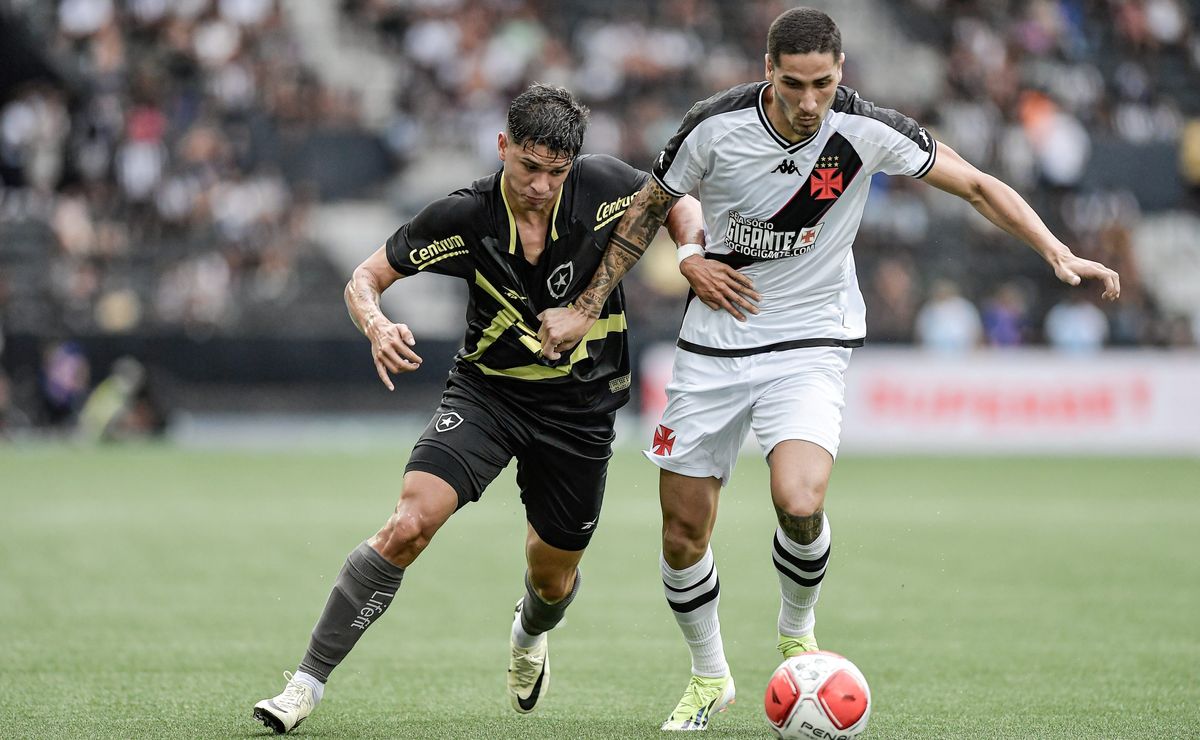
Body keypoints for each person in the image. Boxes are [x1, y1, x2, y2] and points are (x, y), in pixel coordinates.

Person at [537, 7, 1121, 731]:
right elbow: (651, 207)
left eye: (823, 83)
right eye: (793, 84)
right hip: (714, 343)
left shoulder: (865, 130)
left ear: (841, 70)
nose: (809, 101)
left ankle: (797, 632)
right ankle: (709, 676)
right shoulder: (713, 125)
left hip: (810, 340)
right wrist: (610, 295)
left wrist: (1055, 249)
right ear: (768, 70)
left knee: (800, 499)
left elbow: (975, 184)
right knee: (683, 532)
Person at [252, 83, 705, 734]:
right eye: (528, 166)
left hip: (580, 413)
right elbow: (364, 279)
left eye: (556, 172)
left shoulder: (604, 185)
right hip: (489, 396)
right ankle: (304, 685)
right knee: (409, 523)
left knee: (552, 581)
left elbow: (677, 200)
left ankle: (529, 632)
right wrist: (376, 324)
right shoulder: (464, 216)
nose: (541, 186)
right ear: (502, 147)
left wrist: (690, 254)